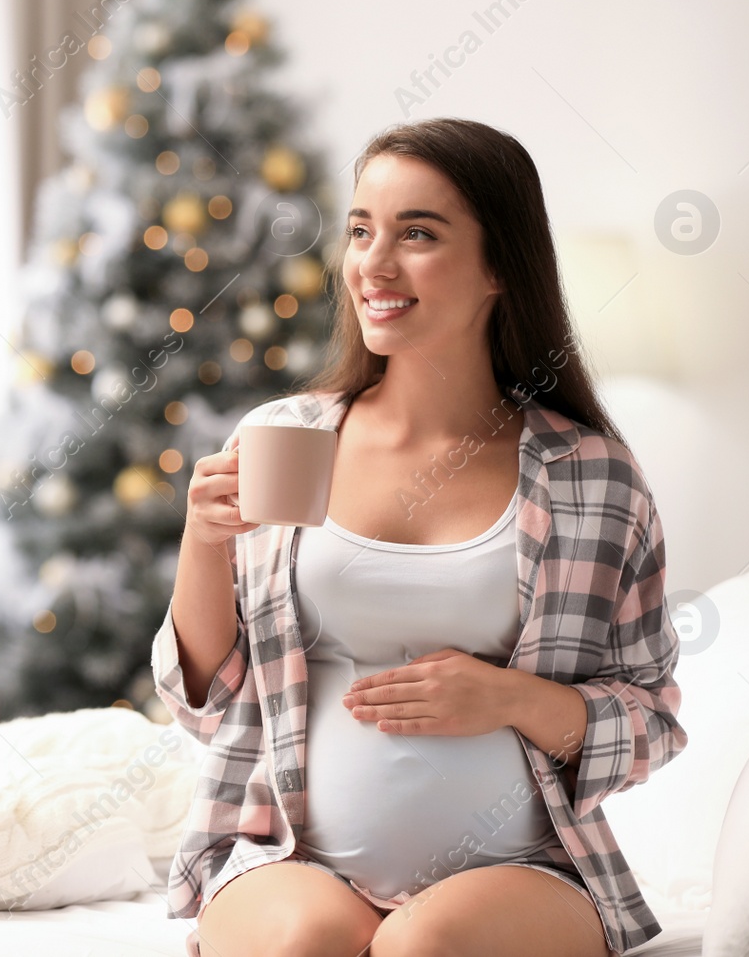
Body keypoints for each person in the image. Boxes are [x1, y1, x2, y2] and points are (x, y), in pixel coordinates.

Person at [150, 117, 688, 957]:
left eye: (418, 234)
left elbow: (651, 719)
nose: (375, 263)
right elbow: (206, 699)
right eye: (361, 230)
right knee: (305, 941)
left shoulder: (593, 477)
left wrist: (507, 697)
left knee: (420, 949)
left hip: (524, 865)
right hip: (290, 854)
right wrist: (201, 539)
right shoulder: (283, 437)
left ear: (500, 266)